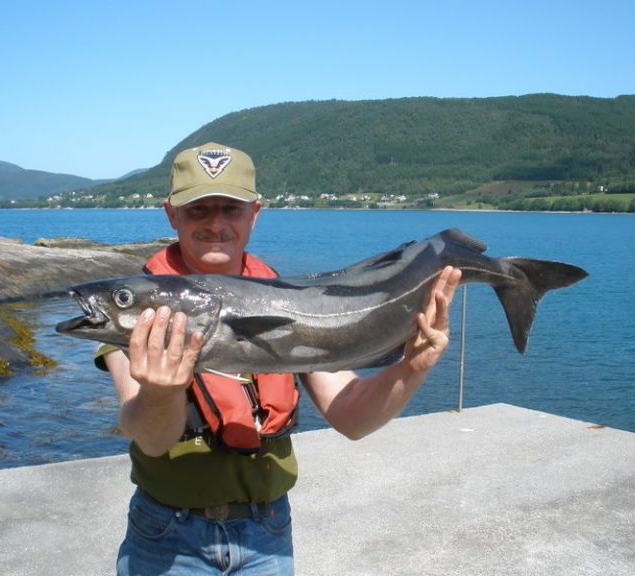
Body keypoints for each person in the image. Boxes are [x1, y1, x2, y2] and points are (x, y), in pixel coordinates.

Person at [98, 141, 462, 575]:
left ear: (254, 214)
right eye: (198, 210)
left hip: (267, 535)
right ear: (171, 215)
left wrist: (411, 368)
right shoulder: (136, 310)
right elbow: (151, 439)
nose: (216, 223)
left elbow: (352, 416)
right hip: (167, 538)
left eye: (230, 209)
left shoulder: (294, 303)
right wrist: (161, 392)